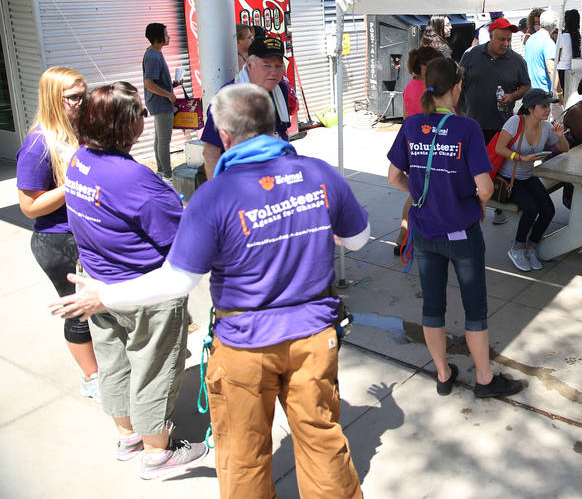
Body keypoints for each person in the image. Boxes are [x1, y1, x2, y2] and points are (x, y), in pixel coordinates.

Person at [53, 83, 370, 498]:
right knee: (322, 439)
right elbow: (360, 238)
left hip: (243, 348)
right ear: (272, 123)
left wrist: (104, 296)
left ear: (224, 135)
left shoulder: (214, 196)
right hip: (314, 338)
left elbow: (178, 280)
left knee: (242, 453)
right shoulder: (320, 173)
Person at [58, 82, 207, 480]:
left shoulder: (79, 161)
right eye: (139, 113)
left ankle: (127, 436)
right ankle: (158, 453)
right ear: (127, 128)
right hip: (141, 291)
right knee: (153, 367)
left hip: (95, 285)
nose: (144, 118)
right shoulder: (136, 180)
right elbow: (182, 240)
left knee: (114, 362)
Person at [387, 58, 524, 400]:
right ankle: (484, 378)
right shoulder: (467, 129)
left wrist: (422, 194)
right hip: (461, 233)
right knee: (474, 307)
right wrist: (478, 201)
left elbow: (394, 177)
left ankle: (444, 373)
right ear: (457, 87)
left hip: (424, 232)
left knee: (432, 306)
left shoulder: (412, 125)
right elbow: (487, 188)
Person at [16, 67, 99, 399]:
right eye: (73, 98)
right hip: (58, 240)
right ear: (54, 99)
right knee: (78, 310)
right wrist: (72, 183)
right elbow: (29, 207)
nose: (82, 103)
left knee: (98, 307)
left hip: (83, 235)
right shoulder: (39, 143)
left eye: (84, 95)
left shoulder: (77, 131)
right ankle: (92, 378)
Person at [458, 17, 530, 224]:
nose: (506, 44)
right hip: (471, 123)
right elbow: (459, 80)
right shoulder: (471, 55)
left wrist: (513, 96)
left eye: (508, 40)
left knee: (496, 169)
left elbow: (526, 86)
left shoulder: (517, 61)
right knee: (468, 167)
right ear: (490, 36)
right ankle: (467, 204)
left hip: (501, 126)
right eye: (502, 40)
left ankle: (498, 207)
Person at [494, 89, 569, 272]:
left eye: (549, 106)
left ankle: (531, 247)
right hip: (508, 179)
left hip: (528, 177)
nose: (548, 110)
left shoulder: (546, 127)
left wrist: (560, 137)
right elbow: (499, 148)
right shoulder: (515, 122)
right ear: (530, 108)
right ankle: (517, 248)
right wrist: (520, 158)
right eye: (543, 106)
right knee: (531, 208)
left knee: (548, 210)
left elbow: (565, 149)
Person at [201, 33, 293, 178]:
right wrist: (218, 192)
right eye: (266, 66)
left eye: (278, 65)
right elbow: (210, 152)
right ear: (249, 65)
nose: (274, 72)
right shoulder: (229, 97)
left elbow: (282, 133)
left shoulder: (281, 89)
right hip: (241, 180)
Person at [396, 45, 447, 254]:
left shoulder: (410, 86)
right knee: (420, 195)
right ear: (426, 68)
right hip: (429, 149)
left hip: (414, 147)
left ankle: (403, 239)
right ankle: (409, 238)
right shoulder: (428, 91)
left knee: (418, 194)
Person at [142, 22, 177, 180]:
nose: (168, 36)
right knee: (164, 140)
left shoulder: (155, 53)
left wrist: (173, 85)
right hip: (160, 103)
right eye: (165, 33)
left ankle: (161, 171)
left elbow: (156, 81)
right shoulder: (153, 56)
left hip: (158, 101)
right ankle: (167, 174)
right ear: (158, 38)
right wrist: (168, 95)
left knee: (159, 139)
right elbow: (149, 83)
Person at [524, 9, 558, 94]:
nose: (537, 25)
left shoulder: (531, 39)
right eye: (535, 23)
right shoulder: (547, 42)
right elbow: (551, 69)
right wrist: (559, 93)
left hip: (532, 88)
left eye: (538, 22)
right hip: (543, 89)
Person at [556, 9, 581, 100]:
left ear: (566, 22)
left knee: (561, 98)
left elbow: (557, 58)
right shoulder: (577, 37)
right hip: (571, 70)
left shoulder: (562, 37)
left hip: (561, 70)